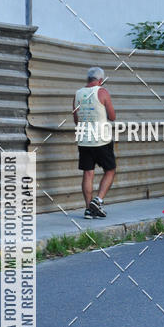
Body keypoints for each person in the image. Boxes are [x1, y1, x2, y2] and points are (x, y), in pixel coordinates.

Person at [72, 66, 116, 218]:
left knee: (88, 173)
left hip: (84, 139)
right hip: (101, 140)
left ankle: (88, 209)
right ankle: (97, 201)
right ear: (100, 80)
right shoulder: (102, 91)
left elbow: (76, 119)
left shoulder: (78, 94)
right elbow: (112, 116)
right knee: (110, 170)